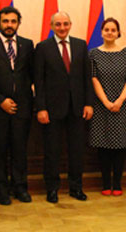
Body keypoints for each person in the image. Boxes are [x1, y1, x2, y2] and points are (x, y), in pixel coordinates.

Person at [34, 12, 94, 203]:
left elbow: (87, 77)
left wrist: (88, 103)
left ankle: (76, 187)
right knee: (52, 151)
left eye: (65, 24)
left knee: (76, 150)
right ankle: (52, 189)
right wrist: (41, 108)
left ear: (71, 24)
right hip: (52, 110)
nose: (62, 27)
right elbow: (39, 80)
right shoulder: (42, 48)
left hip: (77, 108)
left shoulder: (80, 45)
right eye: (58, 24)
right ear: (51, 26)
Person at [0, 6, 34, 205]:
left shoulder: (27, 45)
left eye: (13, 21)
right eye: (5, 21)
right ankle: (1, 189)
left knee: (20, 150)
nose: (9, 25)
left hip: (22, 108)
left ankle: (20, 187)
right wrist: (0, 100)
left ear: (18, 23)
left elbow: (31, 75)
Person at [89, 17, 126, 196]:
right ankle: (105, 183)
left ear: (118, 33)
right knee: (103, 145)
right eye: (106, 29)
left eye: (113, 30)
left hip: (122, 106)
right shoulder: (93, 54)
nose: (109, 32)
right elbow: (93, 78)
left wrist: (119, 101)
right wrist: (106, 102)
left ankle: (117, 183)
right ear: (101, 33)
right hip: (101, 106)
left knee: (120, 146)